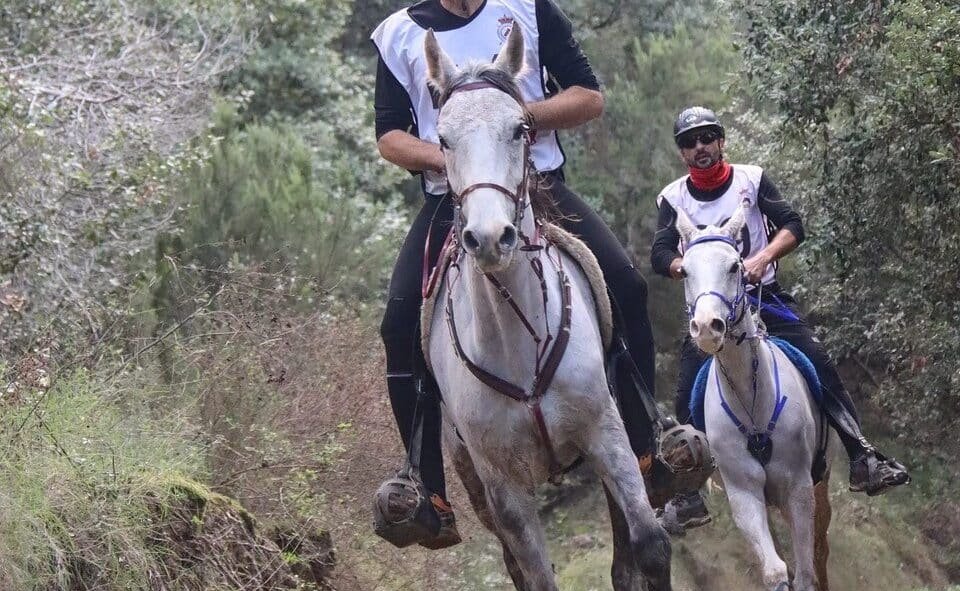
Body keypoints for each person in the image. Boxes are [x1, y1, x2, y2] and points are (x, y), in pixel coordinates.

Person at [370, 0, 661, 549]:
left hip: (538, 184)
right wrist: (451, 156)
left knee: (627, 283)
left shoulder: (527, 9)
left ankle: (651, 447)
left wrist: (521, 119)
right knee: (399, 323)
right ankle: (427, 489)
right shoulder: (398, 35)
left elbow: (589, 97)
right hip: (452, 197)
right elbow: (389, 135)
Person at [650, 106, 911, 534]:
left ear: (721, 142)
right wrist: (687, 267)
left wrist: (763, 257)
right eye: (689, 142)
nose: (699, 147)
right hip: (709, 310)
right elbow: (660, 252)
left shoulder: (751, 180)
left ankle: (863, 455)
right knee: (685, 394)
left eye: (707, 138)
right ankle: (689, 493)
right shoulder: (671, 197)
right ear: (682, 152)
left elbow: (792, 223)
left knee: (816, 359)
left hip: (760, 297)